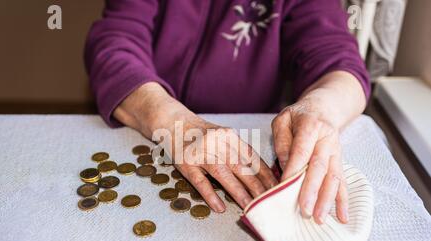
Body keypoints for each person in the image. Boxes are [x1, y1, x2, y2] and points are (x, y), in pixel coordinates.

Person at [85, 0, 370, 225]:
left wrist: (320, 108)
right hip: (148, 124)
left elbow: (341, 64)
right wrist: (175, 122)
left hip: (250, 139)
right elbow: (113, 44)